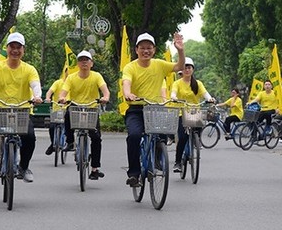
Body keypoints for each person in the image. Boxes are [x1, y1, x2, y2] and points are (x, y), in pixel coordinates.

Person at [0, 32, 43, 182]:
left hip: (23, 110)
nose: (15, 50)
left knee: (30, 136)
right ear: (6, 49)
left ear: (23, 50)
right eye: (12, 47)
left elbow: (35, 85)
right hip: (0, 109)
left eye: (18, 47)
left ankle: (24, 167)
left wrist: (37, 96)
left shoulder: (29, 69)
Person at [122, 32, 185, 188]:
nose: (146, 51)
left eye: (149, 48)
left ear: (154, 49)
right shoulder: (130, 67)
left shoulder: (159, 64)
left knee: (161, 136)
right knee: (134, 136)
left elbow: (179, 67)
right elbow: (126, 83)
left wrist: (180, 50)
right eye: (142, 48)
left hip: (156, 109)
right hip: (136, 109)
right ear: (136, 50)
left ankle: (158, 158)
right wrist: (128, 94)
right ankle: (134, 174)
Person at [58, 50, 110, 180]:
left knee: (96, 138)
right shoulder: (71, 77)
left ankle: (95, 168)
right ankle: (70, 142)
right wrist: (62, 98)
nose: (84, 62)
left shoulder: (96, 76)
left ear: (91, 63)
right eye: (81, 60)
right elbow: (63, 92)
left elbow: (105, 91)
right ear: (78, 64)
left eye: (87, 60)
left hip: (92, 108)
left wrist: (105, 97)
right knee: (67, 116)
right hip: (76, 107)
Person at [170, 57, 214, 172]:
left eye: (189, 67)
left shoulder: (198, 84)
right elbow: (173, 92)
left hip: (195, 112)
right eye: (184, 67)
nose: (187, 70)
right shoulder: (177, 83)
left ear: (192, 69)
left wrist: (210, 99)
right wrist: (174, 97)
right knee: (182, 137)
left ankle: (195, 140)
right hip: (181, 112)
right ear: (181, 70)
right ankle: (178, 162)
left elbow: (205, 94)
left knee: (197, 131)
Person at [44, 75, 66, 156]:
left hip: (67, 109)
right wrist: (48, 98)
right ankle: (53, 144)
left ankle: (69, 143)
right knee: (52, 127)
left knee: (69, 127)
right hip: (57, 109)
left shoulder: (74, 82)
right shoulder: (58, 82)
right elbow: (49, 92)